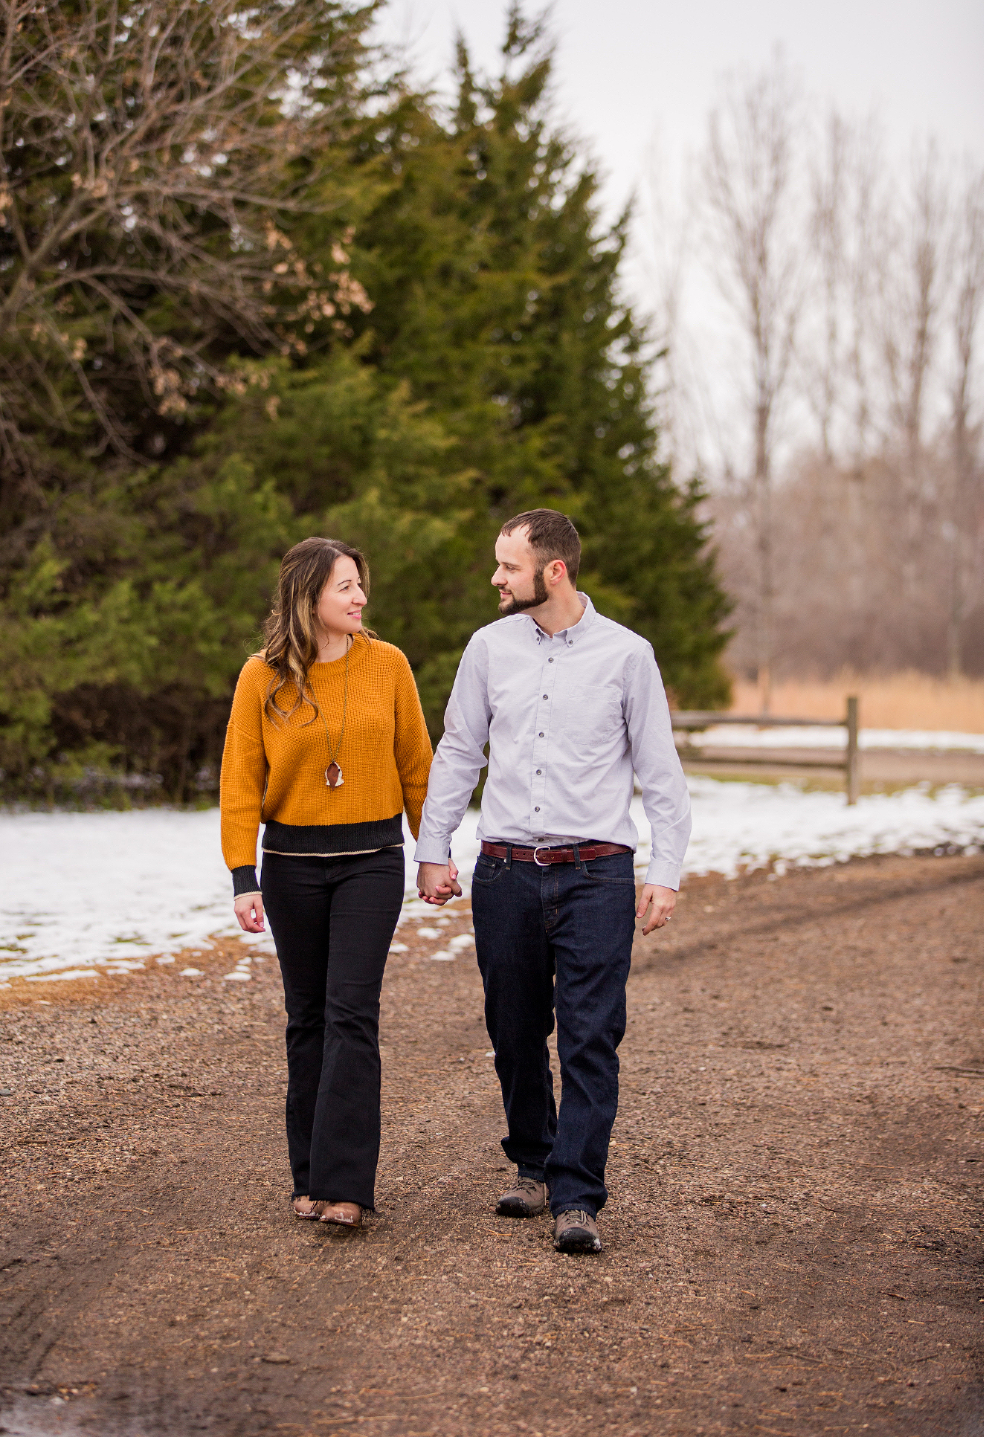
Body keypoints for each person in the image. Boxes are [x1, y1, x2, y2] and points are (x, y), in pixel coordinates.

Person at [415, 509, 690, 1254]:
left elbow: (662, 775)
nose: (497, 577)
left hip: (597, 872)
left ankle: (576, 1193)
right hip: (504, 870)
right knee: (512, 1028)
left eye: (509, 565)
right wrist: (432, 849)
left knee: (592, 1036)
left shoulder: (627, 656)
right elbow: (458, 751)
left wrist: (664, 870)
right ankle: (532, 1162)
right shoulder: (488, 649)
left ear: (555, 570)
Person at [220, 537, 432, 1228]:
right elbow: (240, 780)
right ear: (308, 595)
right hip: (289, 868)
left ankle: (347, 1186)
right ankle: (307, 1177)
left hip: (372, 857)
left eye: (360, 585)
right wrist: (241, 875)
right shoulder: (263, 676)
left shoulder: (390, 664)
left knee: (351, 1014)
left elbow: (418, 766)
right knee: (305, 1018)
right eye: (345, 587)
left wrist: (434, 851)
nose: (360, 598)